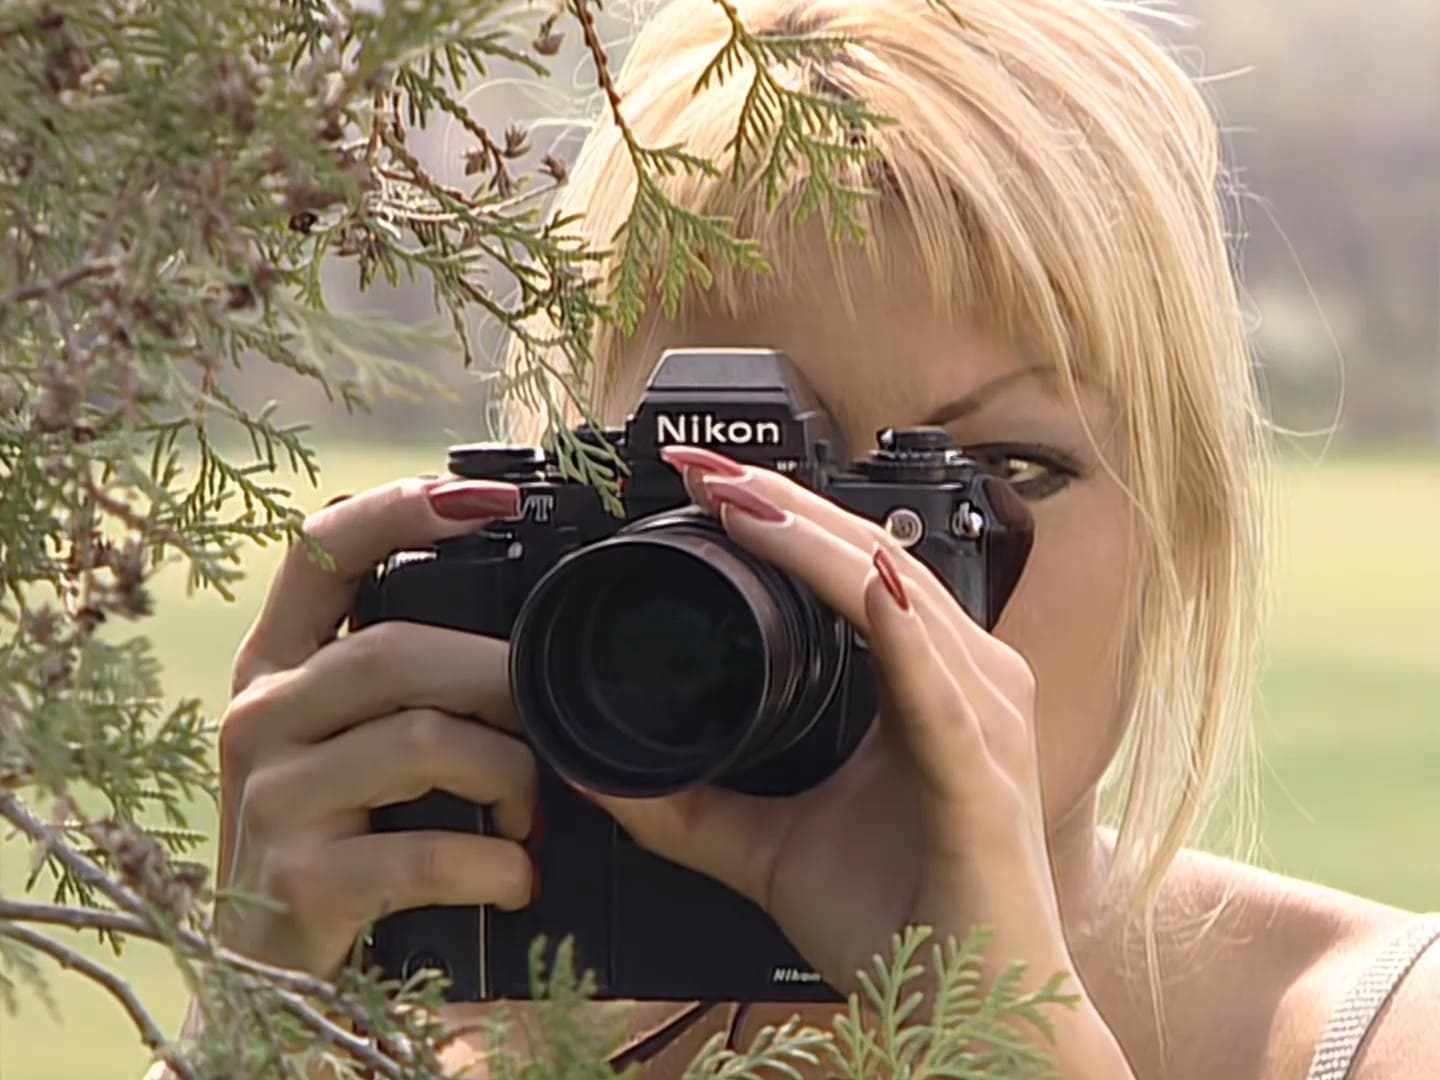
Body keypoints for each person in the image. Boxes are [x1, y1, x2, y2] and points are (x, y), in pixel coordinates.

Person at [154, 0, 1439, 1077]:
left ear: (1186, 525)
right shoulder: (429, 1018)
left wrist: (1007, 1046)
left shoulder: (1373, 1034)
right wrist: (249, 1036)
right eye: (735, 485)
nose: (848, 580)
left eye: (992, 478)